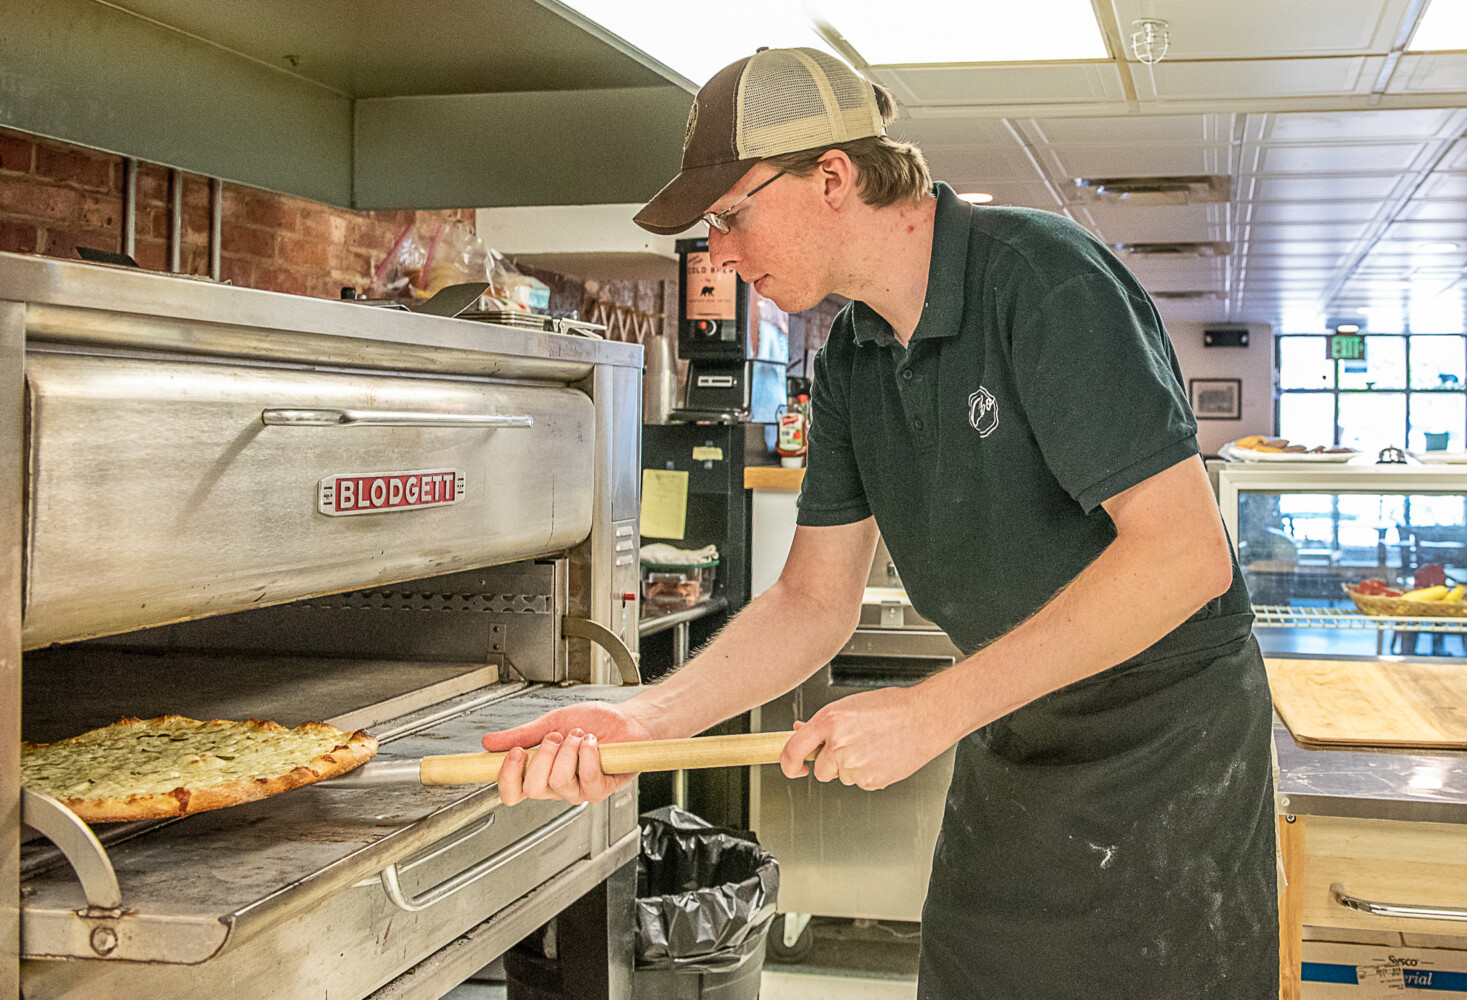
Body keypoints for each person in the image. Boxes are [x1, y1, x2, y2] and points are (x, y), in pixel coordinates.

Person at [483, 47, 1278, 999]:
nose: (718, 254)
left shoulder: (1042, 280)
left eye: (730, 216)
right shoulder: (853, 353)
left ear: (832, 176)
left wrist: (933, 710)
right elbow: (812, 600)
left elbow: (1183, 557)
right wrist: (641, 721)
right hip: (1012, 744)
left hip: (1164, 760)